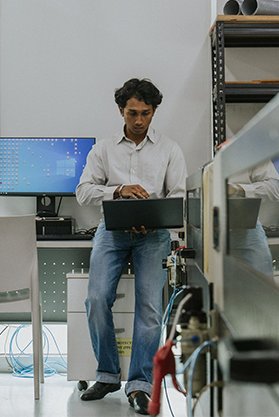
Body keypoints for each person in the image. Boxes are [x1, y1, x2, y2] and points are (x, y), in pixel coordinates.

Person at [75, 78, 187, 415]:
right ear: (121, 111)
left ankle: (139, 385)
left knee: (150, 310)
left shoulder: (170, 150)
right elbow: (83, 191)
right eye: (132, 113)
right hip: (112, 230)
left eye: (146, 114)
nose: (139, 121)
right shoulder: (104, 149)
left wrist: (154, 217)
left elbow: (178, 197)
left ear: (154, 112)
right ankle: (108, 374)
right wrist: (119, 190)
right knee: (96, 300)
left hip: (154, 235)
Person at [222, 125, 279, 278]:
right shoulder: (192, 148)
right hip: (206, 230)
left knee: (263, 287)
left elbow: (276, 189)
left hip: (245, 227)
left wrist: (238, 189)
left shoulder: (248, 151)